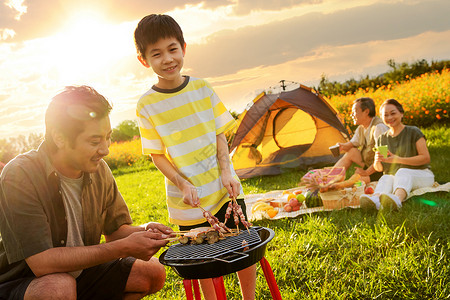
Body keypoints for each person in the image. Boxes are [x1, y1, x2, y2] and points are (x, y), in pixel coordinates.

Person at [0, 86, 173, 300]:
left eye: (107, 137)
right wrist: (122, 248)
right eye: (94, 141)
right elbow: (41, 262)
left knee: (152, 272)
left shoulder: (99, 169)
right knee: (58, 289)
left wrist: (145, 232)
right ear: (60, 138)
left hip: (80, 275)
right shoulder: (20, 174)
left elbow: (115, 231)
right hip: (26, 282)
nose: (105, 149)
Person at [134, 14, 256, 300]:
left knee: (243, 247)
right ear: (144, 60)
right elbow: (156, 155)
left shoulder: (202, 89)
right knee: (204, 261)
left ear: (184, 47)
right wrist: (181, 184)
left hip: (224, 187)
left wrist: (226, 171)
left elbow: (219, 135)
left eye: (172, 49)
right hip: (188, 199)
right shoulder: (146, 105)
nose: (167, 59)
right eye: (157, 54)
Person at [359, 99, 434, 211]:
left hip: (422, 174)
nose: (389, 118)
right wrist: (377, 161)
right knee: (386, 177)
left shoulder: (413, 132)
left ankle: (397, 200)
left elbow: (425, 158)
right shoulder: (382, 138)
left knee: (402, 171)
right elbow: (380, 169)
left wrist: (398, 159)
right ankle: (375, 200)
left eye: (393, 113)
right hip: (397, 177)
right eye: (386, 115)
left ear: (401, 113)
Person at [333, 97, 388, 183]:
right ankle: (330, 179)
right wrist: (342, 146)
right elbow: (352, 144)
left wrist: (366, 172)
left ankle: (335, 185)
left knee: (355, 182)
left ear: (366, 112)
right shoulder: (361, 128)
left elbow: (384, 157)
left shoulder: (378, 128)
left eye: (354, 111)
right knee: (352, 151)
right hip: (370, 163)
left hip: (382, 168)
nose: (351, 115)